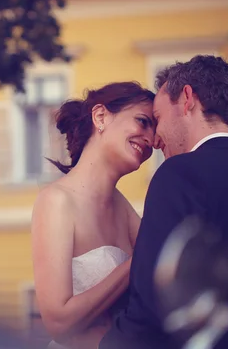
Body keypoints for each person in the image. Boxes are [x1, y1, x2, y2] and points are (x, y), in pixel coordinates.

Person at [99, 55, 228, 349]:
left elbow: (151, 305)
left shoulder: (178, 174)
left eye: (157, 119)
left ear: (187, 99)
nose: (155, 140)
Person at [31, 82, 156, 348]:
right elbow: (58, 323)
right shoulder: (56, 201)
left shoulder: (124, 208)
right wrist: (132, 266)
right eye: (143, 122)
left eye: (155, 132)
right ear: (100, 117)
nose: (151, 140)